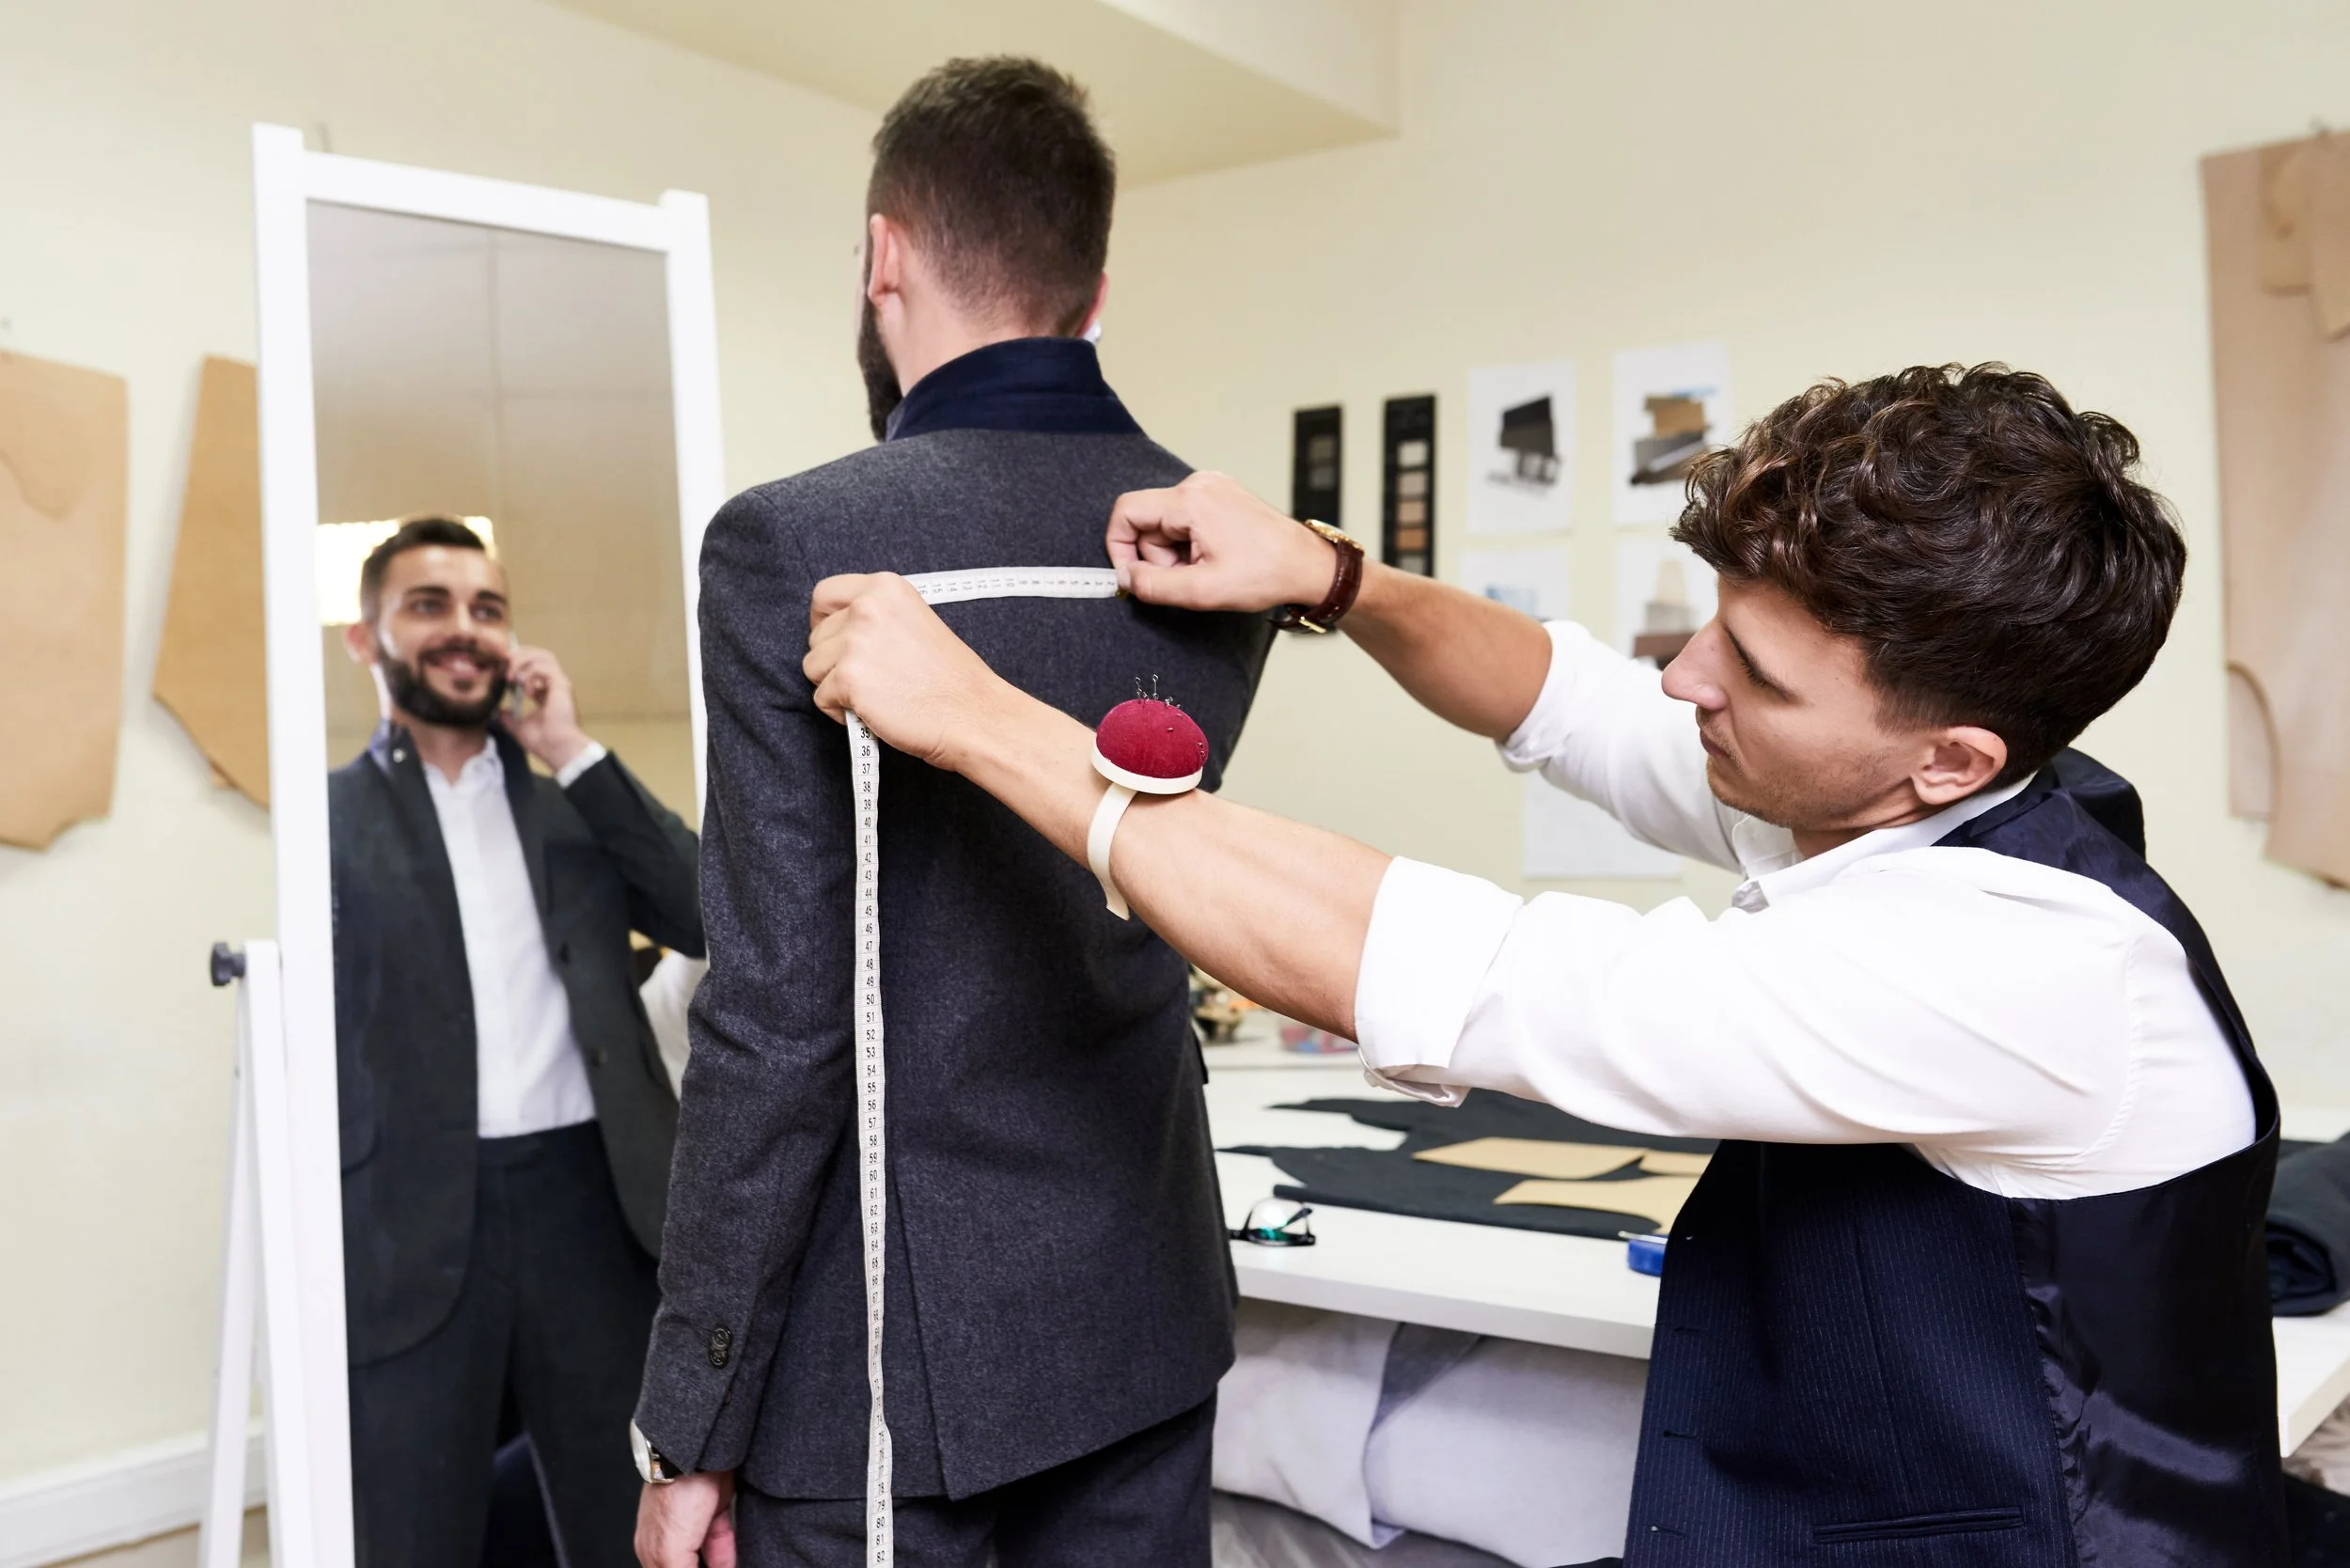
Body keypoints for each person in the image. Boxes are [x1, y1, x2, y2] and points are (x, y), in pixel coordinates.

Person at [805, 365, 2289, 1566]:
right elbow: (1573, 704)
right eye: (1715, 628)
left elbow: (1446, 964)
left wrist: (979, 720)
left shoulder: (2021, 971)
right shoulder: (1899, 790)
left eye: (1755, 674)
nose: (1686, 678)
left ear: (1948, 758)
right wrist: (1332, 576)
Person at [631, 58, 1273, 1568]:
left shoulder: (795, 542)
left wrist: (687, 1424)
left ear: (884, 254)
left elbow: (774, 1023)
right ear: (1093, 291)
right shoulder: (1217, 544)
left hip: (879, 1372)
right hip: (1143, 1307)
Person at [329, 514, 703, 1567]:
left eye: (487, 608)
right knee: (412, 1533)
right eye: (429, 604)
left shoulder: (573, 803)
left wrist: (571, 750)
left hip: (594, 1211)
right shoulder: (327, 821)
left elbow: (710, 914)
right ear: (365, 639)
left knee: (629, 1528)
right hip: (407, 1223)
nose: (465, 627)